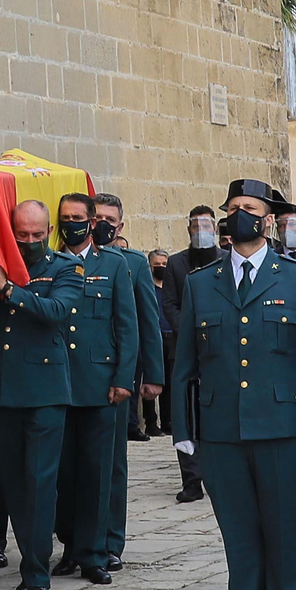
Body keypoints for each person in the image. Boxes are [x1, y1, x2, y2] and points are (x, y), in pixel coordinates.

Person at [169, 179, 296, 590]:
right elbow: (185, 368)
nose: (240, 214)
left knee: (283, 531)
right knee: (239, 534)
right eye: (233, 207)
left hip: (283, 425)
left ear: (267, 220)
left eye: (250, 208)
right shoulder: (202, 283)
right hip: (222, 429)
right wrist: (183, 429)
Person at [0, 200, 83, 590]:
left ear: (49, 232)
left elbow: (56, 311)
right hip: (3, 391)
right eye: (21, 235)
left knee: (40, 484)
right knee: (11, 485)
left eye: (36, 235)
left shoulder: (64, 268)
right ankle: (31, 559)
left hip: (44, 391)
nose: (28, 242)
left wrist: (8, 287)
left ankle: (37, 573)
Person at [51, 193, 138, 585]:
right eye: (64, 217)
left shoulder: (114, 266)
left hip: (101, 385)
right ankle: (69, 546)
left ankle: (94, 551)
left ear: (90, 222)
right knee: (64, 473)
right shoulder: (49, 265)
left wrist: (123, 378)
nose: (71, 223)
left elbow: (126, 327)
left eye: (77, 217)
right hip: (58, 384)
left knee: (97, 472)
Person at [90, 193, 164, 568]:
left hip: (118, 376)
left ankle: (111, 541)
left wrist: (153, 375)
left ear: (120, 226)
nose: (101, 223)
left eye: (109, 219)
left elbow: (147, 323)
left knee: (113, 464)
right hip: (80, 377)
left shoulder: (133, 264)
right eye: (96, 216)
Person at [163, 205, 220, 505]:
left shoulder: (224, 260)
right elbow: (169, 303)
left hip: (217, 349)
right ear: (188, 230)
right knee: (184, 410)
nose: (201, 232)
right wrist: (187, 330)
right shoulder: (175, 264)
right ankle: (191, 479)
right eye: (195, 226)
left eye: (206, 226)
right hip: (184, 348)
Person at [142, 249, 174, 438]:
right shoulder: (147, 287)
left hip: (171, 337)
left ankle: (168, 421)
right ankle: (151, 422)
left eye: (164, 264)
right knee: (151, 380)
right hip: (154, 338)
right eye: (157, 264)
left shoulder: (171, 289)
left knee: (169, 383)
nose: (161, 268)